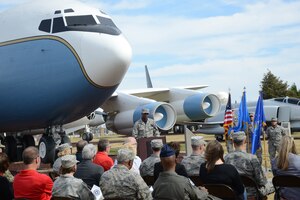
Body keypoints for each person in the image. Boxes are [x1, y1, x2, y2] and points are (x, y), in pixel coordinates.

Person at [153, 144, 218, 200]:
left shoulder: (156, 185)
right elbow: (199, 196)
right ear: (176, 160)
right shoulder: (183, 181)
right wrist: (204, 191)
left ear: (161, 163)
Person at [224, 131, 274, 198]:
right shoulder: (252, 158)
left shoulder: (226, 158)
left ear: (233, 142)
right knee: (275, 183)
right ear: (245, 141)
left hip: (234, 192)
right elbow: (261, 181)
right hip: (252, 193)